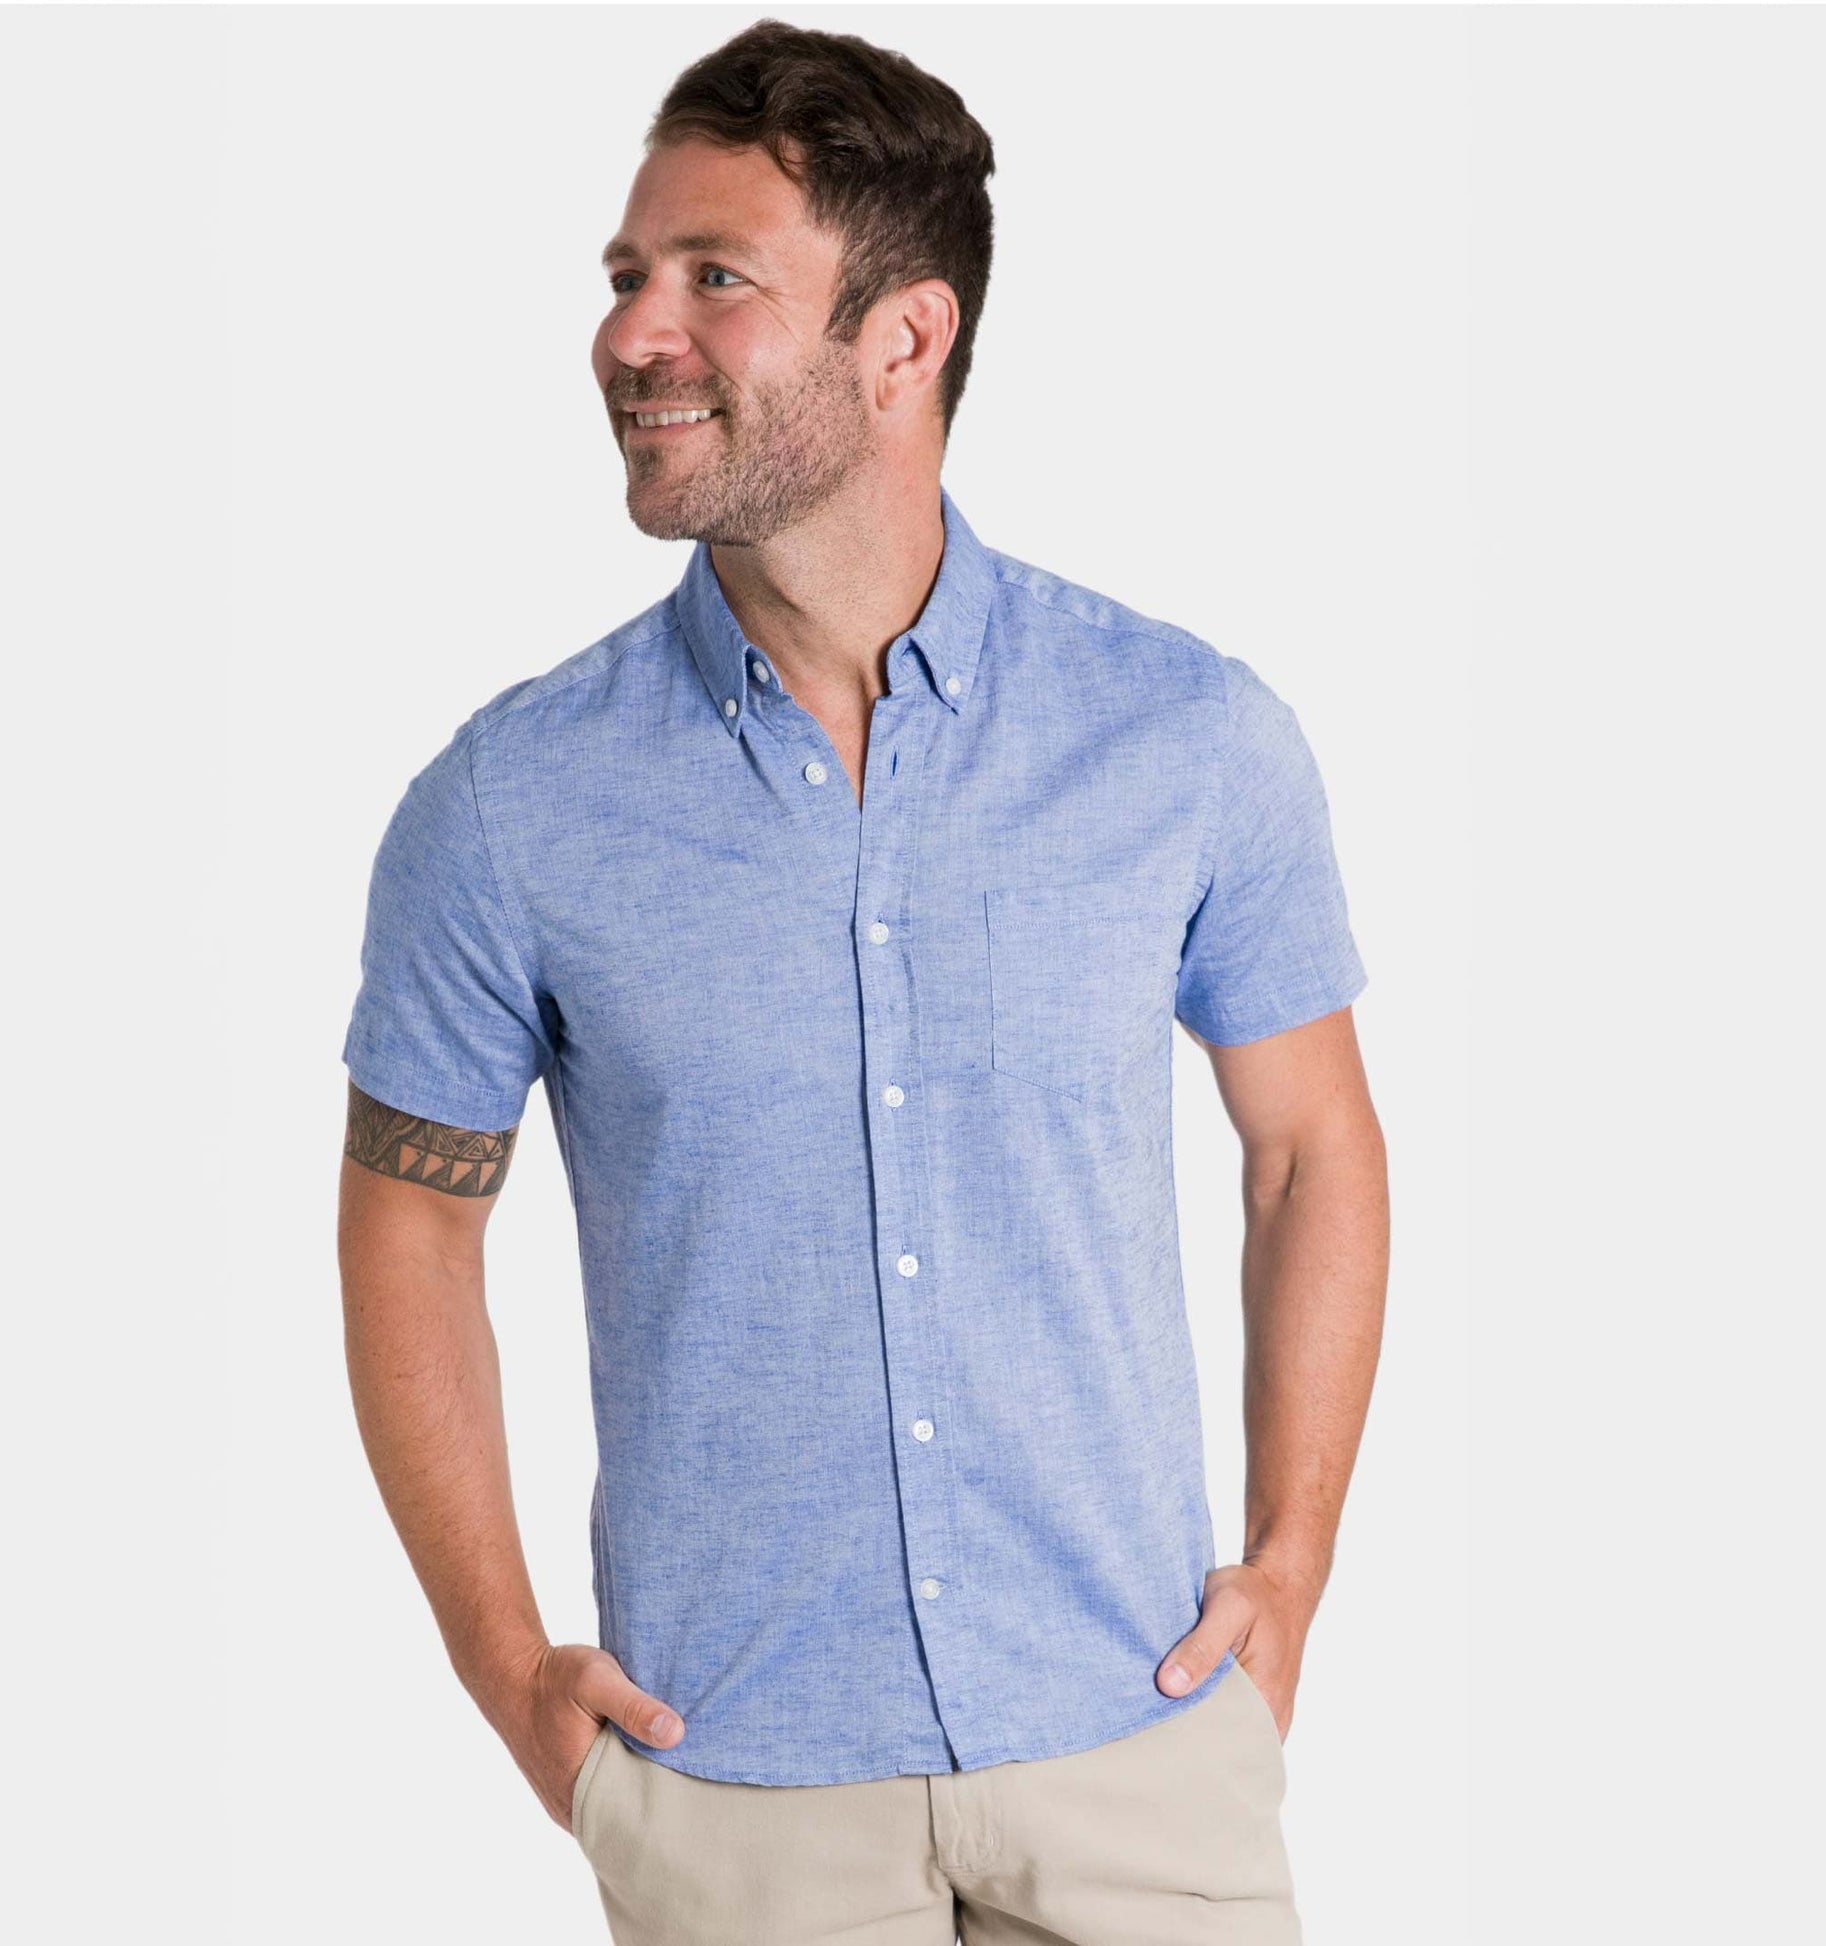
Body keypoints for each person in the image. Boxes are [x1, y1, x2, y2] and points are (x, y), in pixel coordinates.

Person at [337, 19, 1388, 1944]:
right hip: (737, 1792)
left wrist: (1293, 1564)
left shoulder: (1185, 739)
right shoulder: (507, 806)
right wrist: (505, 1666)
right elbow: (410, 1224)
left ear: (903, 341)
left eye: (712, 278)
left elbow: (1307, 1147)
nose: (633, 332)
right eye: (626, 275)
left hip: (1134, 1740)